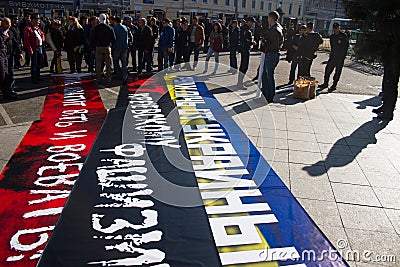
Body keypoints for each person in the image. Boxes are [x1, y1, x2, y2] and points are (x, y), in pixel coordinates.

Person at [318, 23, 349, 92]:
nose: (335, 30)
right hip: (333, 56)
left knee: (337, 72)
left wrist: (343, 56)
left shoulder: (343, 36)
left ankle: (334, 85)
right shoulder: (332, 36)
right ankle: (325, 83)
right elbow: (332, 46)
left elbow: (346, 46)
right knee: (328, 70)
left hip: (340, 57)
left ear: (339, 28)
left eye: (337, 28)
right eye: (334, 28)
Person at [260, 11, 283, 102]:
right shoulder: (276, 28)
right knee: (265, 75)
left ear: (271, 18)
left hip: (272, 54)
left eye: (268, 17)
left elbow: (274, 44)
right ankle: (266, 95)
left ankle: (269, 96)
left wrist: (265, 43)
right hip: (271, 54)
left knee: (268, 75)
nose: (267, 19)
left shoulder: (275, 30)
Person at [93, 13, 115, 84]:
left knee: (98, 64)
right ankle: (108, 78)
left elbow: (92, 39)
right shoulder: (110, 28)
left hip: (98, 47)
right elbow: (114, 38)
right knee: (108, 64)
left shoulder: (96, 28)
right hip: (107, 47)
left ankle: (98, 78)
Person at [24, 13, 45, 84]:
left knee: (39, 63)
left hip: (39, 47)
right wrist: (30, 50)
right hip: (34, 48)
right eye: (37, 20)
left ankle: (38, 76)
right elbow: (27, 41)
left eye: (39, 20)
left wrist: (41, 38)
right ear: (32, 20)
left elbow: (42, 35)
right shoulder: (28, 28)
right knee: (34, 64)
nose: (38, 22)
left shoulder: (38, 28)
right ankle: (34, 78)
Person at [110, 16, 132, 83]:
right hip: (124, 47)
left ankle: (118, 75)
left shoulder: (114, 29)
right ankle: (124, 75)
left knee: (116, 61)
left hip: (116, 47)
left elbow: (112, 38)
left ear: (115, 21)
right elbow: (130, 37)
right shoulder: (126, 28)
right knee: (124, 62)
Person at [237, 16, 255, 88]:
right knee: (244, 66)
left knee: (244, 66)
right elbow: (244, 40)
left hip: (245, 49)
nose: (252, 24)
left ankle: (240, 82)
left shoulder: (246, 29)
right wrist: (252, 42)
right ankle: (240, 83)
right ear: (248, 22)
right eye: (252, 22)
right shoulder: (244, 29)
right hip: (244, 49)